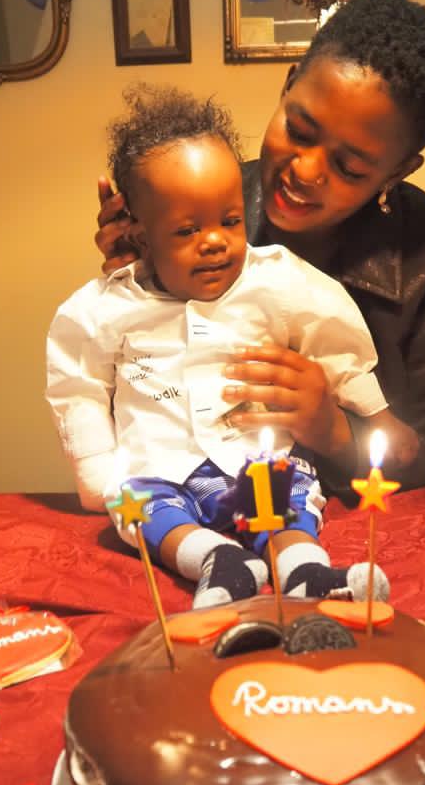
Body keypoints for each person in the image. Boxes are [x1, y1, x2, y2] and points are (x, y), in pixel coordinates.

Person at [94, 0, 425, 491]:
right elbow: (135, 403)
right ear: (287, 86)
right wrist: (144, 284)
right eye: (299, 129)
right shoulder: (200, 213)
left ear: (396, 171)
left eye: (349, 167)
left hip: (370, 541)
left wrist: (338, 433)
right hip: (204, 515)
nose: (305, 171)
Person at [47, 85, 392, 609]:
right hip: (160, 471)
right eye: (187, 229)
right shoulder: (102, 308)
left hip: (258, 460)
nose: (215, 241)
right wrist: (97, 474)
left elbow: (332, 327)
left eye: (230, 221)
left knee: (290, 497)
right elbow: (78, 383)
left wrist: (366, 401)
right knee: (135, 509)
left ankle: (305, 569)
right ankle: (214, 559)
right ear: (140, 234)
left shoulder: (277, 280)